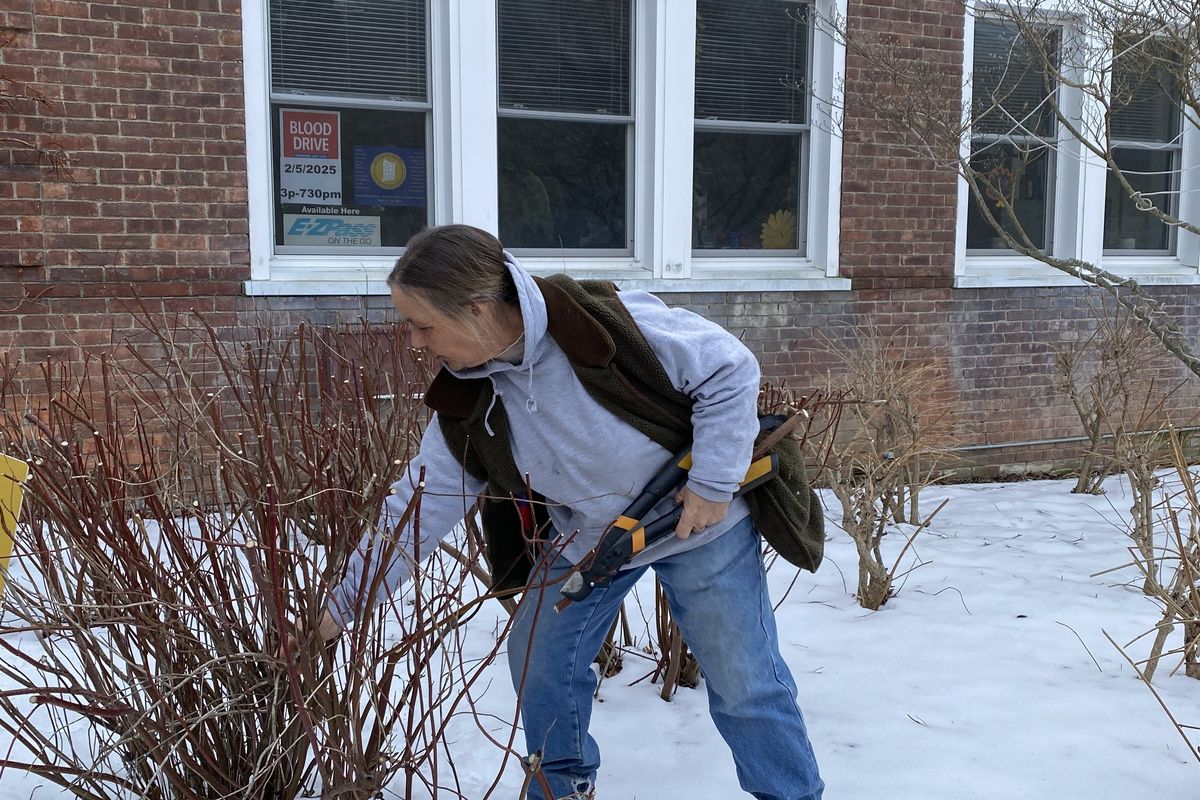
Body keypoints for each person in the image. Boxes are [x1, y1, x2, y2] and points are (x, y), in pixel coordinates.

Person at [311, 224, 824, 800]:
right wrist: (341, 605)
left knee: (745, 682)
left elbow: (728, 369)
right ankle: (561, 787)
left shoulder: (604, 327)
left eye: (423, 325)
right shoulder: (467, 401)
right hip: (592, 544)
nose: (414, 343)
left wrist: (711, 483)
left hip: (695, 524)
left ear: (478, 310)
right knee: (541, 663)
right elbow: (418, 506)